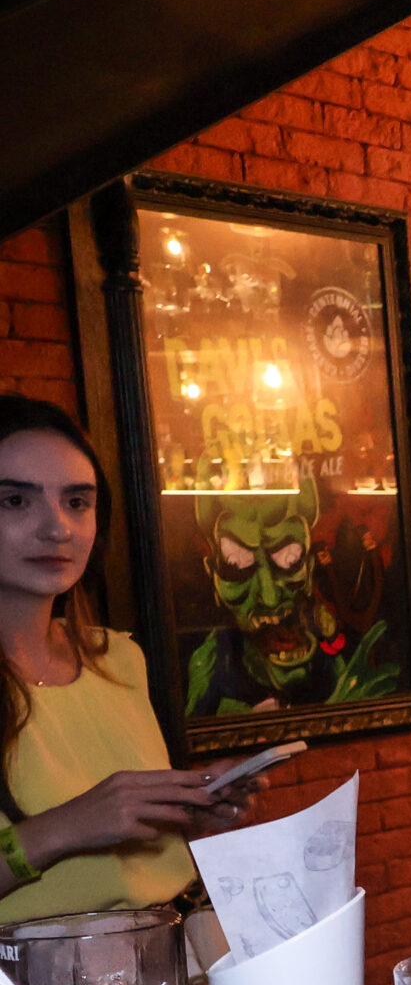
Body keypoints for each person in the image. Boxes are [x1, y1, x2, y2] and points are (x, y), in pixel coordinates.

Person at [0, 396, 261, 923]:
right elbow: (89, 825)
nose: (58, 528)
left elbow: (135, 863)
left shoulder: (115, 656)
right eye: (15, 500)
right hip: (39, 971)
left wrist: (190, 812)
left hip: (180, 948)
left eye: (77, 501)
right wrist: (66, 827)